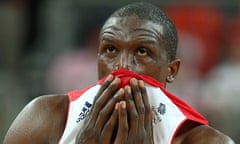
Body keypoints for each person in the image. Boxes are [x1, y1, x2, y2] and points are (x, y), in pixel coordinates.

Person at [3, 2, 235, 144]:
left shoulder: (206, 141)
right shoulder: (45, 117)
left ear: (171, 70)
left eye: (142, 52)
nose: (122, 65)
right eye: (110, 50)